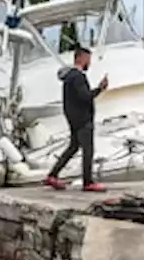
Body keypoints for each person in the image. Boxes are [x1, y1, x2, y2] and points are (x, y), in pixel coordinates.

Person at [44, 46, 109, 191]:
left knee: (73, 147)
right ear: (80, 58)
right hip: (83, 119)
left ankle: (52, 175)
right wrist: (100, 89)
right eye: (88, 59)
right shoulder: (78, 77)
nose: (89, 63)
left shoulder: (69, 77)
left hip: (73, 118)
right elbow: (85, 97)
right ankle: (88, 182)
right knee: (88, 149)